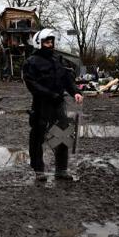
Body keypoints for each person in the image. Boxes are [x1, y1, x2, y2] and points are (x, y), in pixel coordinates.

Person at [22, 28, 83, 181]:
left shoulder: (57, 59)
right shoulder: (31, 62)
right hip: (41, 104)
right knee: (37, 138)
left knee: (62, 135)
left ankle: (61, 169)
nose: (50, 44)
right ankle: (39, 170)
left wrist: (75, 91)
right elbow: (32, 84)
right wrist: (50, 95)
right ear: (39, 43)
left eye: (51, 41)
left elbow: (66, 79)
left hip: (58, 104)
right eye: (46, 42)